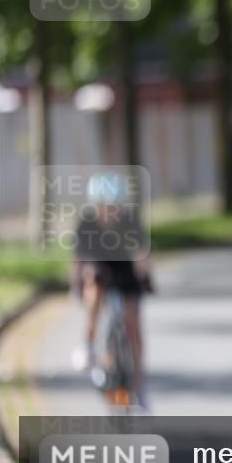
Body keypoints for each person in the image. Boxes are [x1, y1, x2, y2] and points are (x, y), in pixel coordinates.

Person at [71, 171, 152, 409]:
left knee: (133, 324)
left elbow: (141, 252)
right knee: (93, 284)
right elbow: (78, 259)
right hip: (98, 270)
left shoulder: (129, 220)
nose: (109, 212)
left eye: (114, 207)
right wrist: (77, 282)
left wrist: (144, 273)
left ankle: (138, 385)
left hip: (125, 272)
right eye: (104, 207)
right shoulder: (86, 223)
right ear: (96, 206)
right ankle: (88, 343)